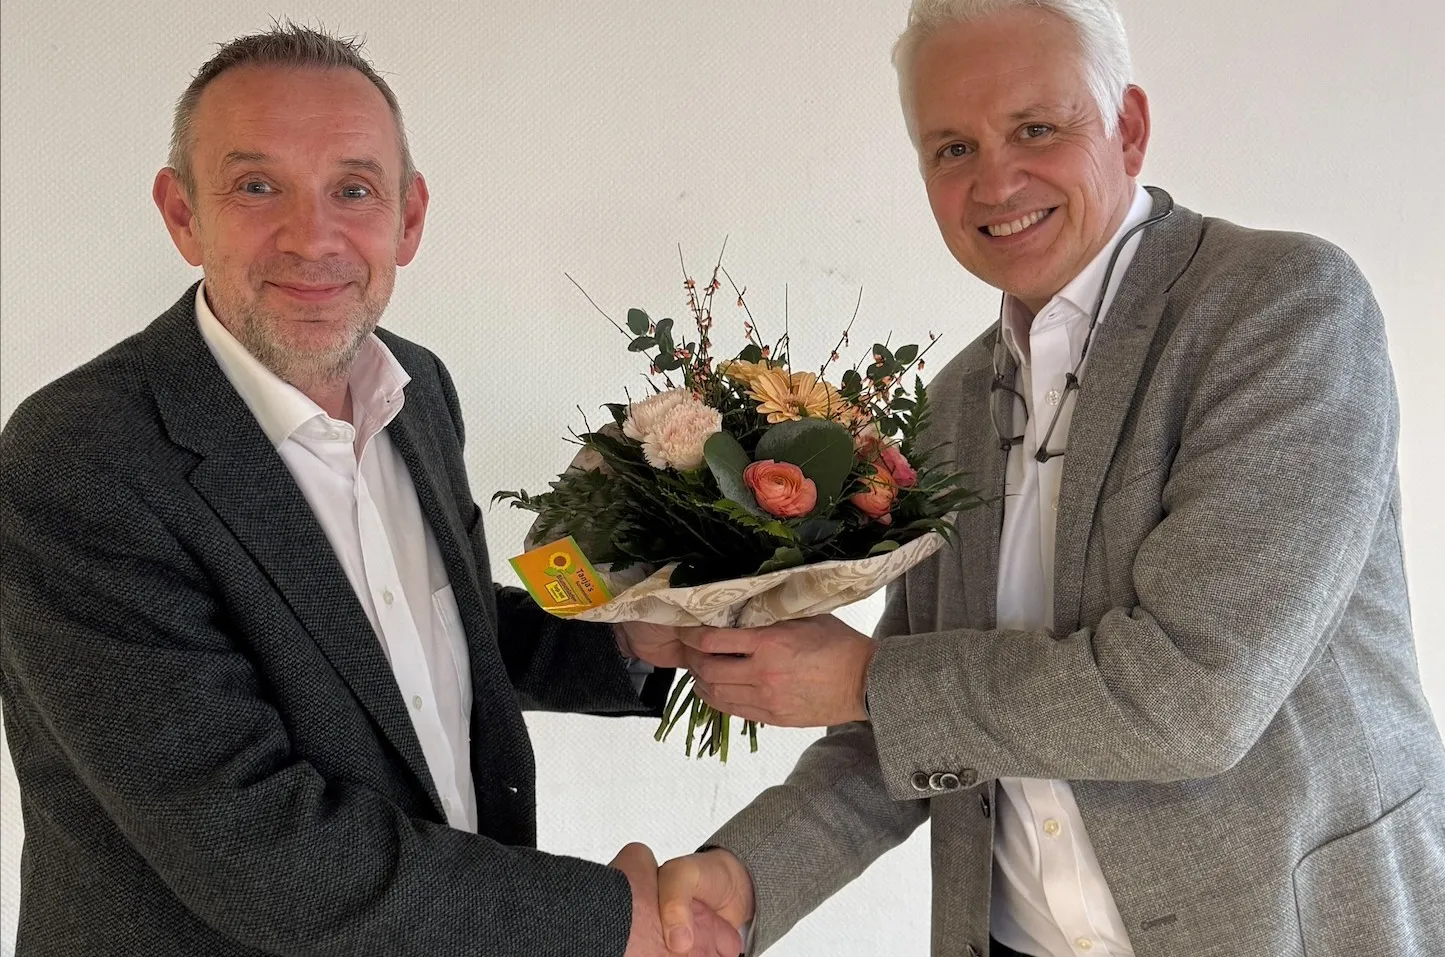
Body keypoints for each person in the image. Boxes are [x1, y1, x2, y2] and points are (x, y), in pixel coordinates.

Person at [653, 1, 1445, 955]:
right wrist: (747, 874)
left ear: (1129, 128)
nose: (995, 179)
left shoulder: (1280, 309)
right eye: (950, 148)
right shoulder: (949, 402)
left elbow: (1192, 698)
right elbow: (903, 718)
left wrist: (863, 678)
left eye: (1035, 128)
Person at [0, 23, 738, 957]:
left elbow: (423, 631)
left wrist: (628, 634)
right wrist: (606, 921)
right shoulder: (82, 456)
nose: (313, 237)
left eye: (353, 189)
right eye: (257, 186)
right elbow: (259, 848)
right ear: (183, 213)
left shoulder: (417, 388)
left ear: (409, 216)